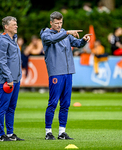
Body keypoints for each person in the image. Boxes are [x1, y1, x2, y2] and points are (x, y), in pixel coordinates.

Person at [40, 11, 91, 140]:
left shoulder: (65, 34)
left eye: (61, 22)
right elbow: (52, 39)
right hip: (56, 72)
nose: (59, 25)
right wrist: (67, 32)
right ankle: (48, 132)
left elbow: (77, 43)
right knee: (52, 103)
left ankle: (62, 132)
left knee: (66, 104)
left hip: (68, 72)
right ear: (51, 23)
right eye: (56, 23)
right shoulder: (46, 34)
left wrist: (84, 40)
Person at [0, 16, 24, 141]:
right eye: (14, 24)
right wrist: (9, 78)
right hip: (6, 80)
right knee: (3, 107)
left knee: (11, 108)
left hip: (15, 79)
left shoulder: (13, 39)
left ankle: (10, 134)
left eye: (16, 23)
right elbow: (1, 61)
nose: (16, 26)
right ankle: (1, 135)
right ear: (6, 26)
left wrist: (17, 77)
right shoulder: (2, 41)